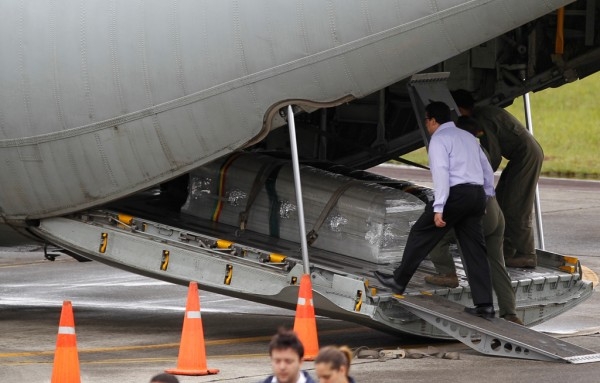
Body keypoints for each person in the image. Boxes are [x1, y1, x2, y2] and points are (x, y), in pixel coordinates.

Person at [374, 101, 496, 318]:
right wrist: (486, 197)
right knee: (475, 251)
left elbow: (441, 174)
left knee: (421, 232)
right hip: (476, 195)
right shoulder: (468, 137)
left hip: (456, 195)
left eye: (426, 121)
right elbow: (486, 168)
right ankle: (485, 305)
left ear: (432, 120)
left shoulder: (439, 140)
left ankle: (398, 280)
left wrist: (439, 207)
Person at [424, 117, 524, 325]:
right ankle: (510, 312)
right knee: (496, 263)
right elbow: (488, 176)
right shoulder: (479, 149)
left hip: (477, 211)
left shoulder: (456, 148)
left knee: (435, 233)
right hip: (494, 210)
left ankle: (447, 273)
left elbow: (446, 180)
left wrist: (441, 209)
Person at [451, 89, 544, 268]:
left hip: (526, 156)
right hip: (520, 156)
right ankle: (507, 251)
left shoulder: (481, 119)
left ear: (461, 108)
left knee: (516, 204)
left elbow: (493, 156)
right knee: (503, 198)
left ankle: (527, 254)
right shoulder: (483, 112)